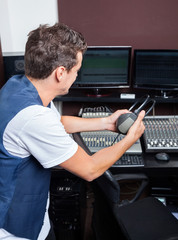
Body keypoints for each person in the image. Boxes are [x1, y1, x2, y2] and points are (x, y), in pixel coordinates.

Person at [0, 23, 145, 240]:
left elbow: (57, 121)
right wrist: (131, 138)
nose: (76, 76)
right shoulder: (32, 117)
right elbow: (91, 169)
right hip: (16, 229)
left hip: (33, 210)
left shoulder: (19, 86)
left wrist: (106, 122)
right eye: (76, 70)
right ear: (60, 73)